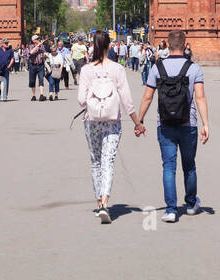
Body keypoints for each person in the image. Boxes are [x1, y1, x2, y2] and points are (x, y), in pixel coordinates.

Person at [135, 29, 209, 223]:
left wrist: (139, 121)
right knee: (189, 166)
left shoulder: (156, 68)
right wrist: (205, 124)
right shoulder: (194, 69)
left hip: (165, 124)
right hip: (189, 124)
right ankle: (191, 204)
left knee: (169, 167)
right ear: (185, 46)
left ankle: (170, 210)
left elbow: (147, 97)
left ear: (167, 46)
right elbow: (200, 97)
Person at [76, 31, 140, 223]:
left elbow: (81, 101)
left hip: (91, 121)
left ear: (93, 46)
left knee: (96, 162)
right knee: (108, 162)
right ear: (109, 46)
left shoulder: (86, 70)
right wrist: (137, 122)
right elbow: (127, 100)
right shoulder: (117, 69)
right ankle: (105, 202)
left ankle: (98, 204)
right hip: (113, 121)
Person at [27, 34, 47, 101]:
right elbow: (31, 52)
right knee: (32, 81)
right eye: (37, 39)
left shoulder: (42, 46)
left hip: (40, 65)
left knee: (41, 79)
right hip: (33, 65)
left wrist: (44, 56)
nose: (39, 40)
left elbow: (44, 53)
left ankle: (41, 95)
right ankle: (33, 95)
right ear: (34, 40)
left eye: (39, 39)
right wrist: (38, 45)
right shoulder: (31, 46)